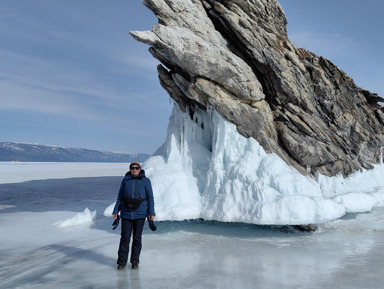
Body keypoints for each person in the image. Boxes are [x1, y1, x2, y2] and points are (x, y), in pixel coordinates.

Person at [112, 161, 155, 270]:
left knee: (137, 238)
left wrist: (151, 212)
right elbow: (120, 198)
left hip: (140, 214)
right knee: (125, 239)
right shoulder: (126, 181)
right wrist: (116, 211)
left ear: (140, 169)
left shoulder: (146, 181)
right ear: (130, 169)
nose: (134, 170)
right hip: (126, 214)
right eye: (132, 168)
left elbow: (150, 198)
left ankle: (135, 261)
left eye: (136, 168)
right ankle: (121, 262)